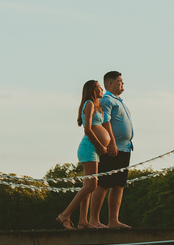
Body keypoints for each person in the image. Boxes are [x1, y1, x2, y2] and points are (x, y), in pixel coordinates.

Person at [56, 80, 109, 230]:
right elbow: (87, 130)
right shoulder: (89, 104)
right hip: (89, 148)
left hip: (94, 150)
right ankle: (64, 215)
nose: (101, 89)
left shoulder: (96, 105)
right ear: (92, 90)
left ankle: (82, 221)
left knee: (88, 186)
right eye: (99, 87)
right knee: (91, 185)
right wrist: (100, 146)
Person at [90, 70, 134, 228]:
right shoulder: (106, 100)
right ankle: (94, 220)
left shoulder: (120, 101)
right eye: (119, 81)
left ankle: (113, 220)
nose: (122, 84)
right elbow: (105, 122)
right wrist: (112, 143)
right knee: (103, 184)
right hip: (112, 149)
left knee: (118, 185)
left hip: (125, 148)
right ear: (110, 83)